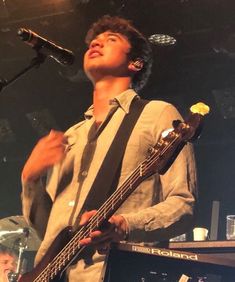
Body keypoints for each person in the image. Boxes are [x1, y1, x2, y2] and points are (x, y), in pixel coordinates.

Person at [21, 15, 197, 281]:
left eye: (110, 40)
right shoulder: (70, 136)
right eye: (94, 41)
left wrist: (124, 225)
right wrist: (30, 180)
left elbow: (183, 206)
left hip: (112, 271)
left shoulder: (158, 114)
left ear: (135, 63)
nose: (96, 44)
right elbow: (49, 230)